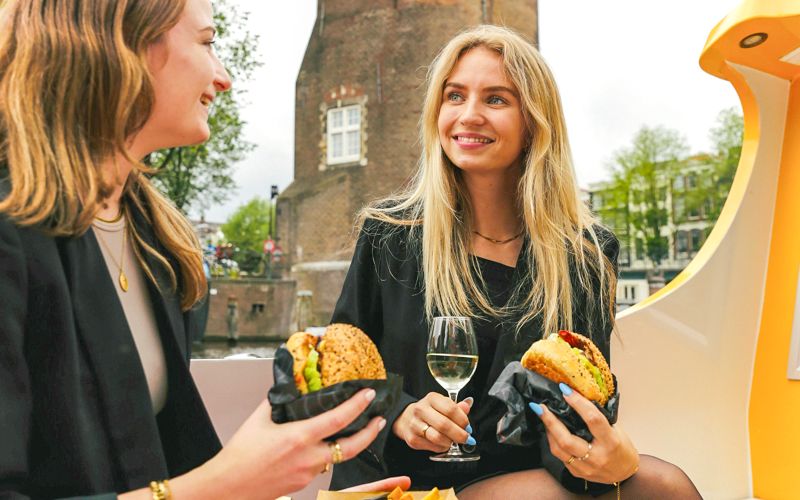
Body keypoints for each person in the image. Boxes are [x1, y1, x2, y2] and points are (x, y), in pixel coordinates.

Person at [0, 0, 409, 498]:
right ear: (124, 43)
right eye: (207, 42)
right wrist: (230, 482)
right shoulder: (12, 236)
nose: (224, 77)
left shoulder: (158, 244)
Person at [330, 25, 701, 498]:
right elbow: (339, 372)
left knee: (662, 484)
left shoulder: (585, 255)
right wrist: (401, 413)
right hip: (401, 480)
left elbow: (580, 400)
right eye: (454, 96)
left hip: (516, 477)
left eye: (496, 99)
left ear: (534, 123)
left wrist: (605, 455)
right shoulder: (390, 234)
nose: (469, 115)